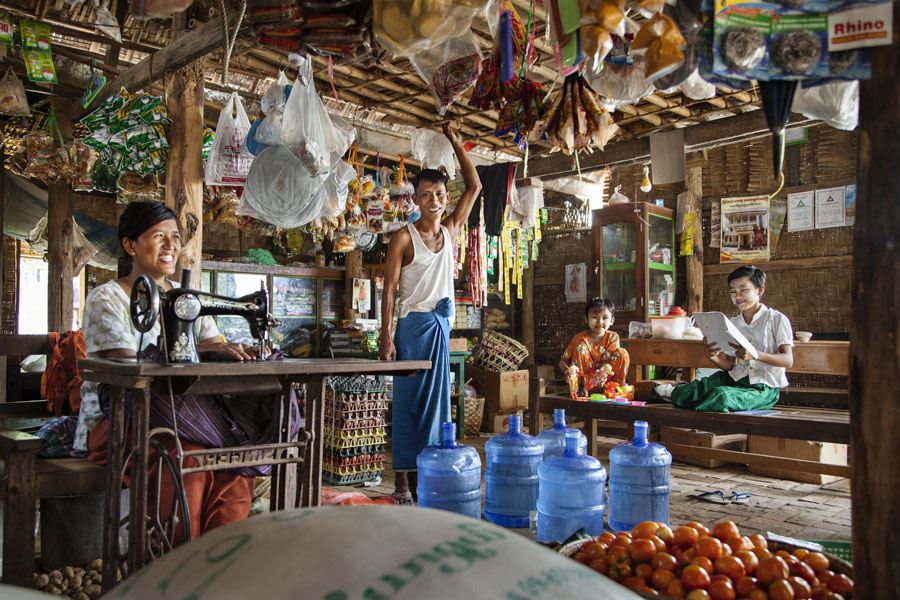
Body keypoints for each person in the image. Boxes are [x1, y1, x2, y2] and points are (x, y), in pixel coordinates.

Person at [75, 201, 297, 543]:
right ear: (130, 245)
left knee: (234, 459)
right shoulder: (108, 298)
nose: (171, 246)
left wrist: (234, 351)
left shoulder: (186, 299)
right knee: (189, 461)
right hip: (122, 417)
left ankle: (219, 562)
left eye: (175, 237)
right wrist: (208, 352)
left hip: (185, 416)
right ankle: (179, 562)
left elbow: (210, 349)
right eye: (158, 236)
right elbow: (126, 368)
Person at [379, 123, 481, 503]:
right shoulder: (403, 237)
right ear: (416, 201)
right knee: (407, 403)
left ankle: (426, 473)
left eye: (438, 194)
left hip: (441, 327)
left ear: (444, 196)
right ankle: (402, 481)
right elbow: (388, 289)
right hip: (411, 329)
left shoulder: (452, 229)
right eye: (425, 196)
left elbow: (475, 187)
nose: (433, 201)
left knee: (437, 406)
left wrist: (457, 143)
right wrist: (385, 336)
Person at [671, 265, 794, 412]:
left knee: (720, 396)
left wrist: (755, 354)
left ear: (760, 290)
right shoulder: (733, 323)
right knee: (682, 393)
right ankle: (702, 406)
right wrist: (713, 357)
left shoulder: (776, 319)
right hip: (734, 379)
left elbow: (788, 360)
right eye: (733, 292)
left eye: (744, 290)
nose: (738, 297)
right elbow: (730, 365)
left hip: (763, 387)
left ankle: (696, 418)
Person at [559, 298, 630, 396]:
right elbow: (562, 362)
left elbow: (606, 361)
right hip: (585, 383)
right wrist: (567, 371)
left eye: (605, 318)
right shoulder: (579, 338)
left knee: (622, 353)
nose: (600, 322)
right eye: (594, 317)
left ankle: (616, 388)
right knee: (581, 347)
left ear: (612, 321)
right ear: (586, 319)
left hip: (605, 381)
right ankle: (581, 387)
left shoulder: (612, 337)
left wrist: (601, 375)